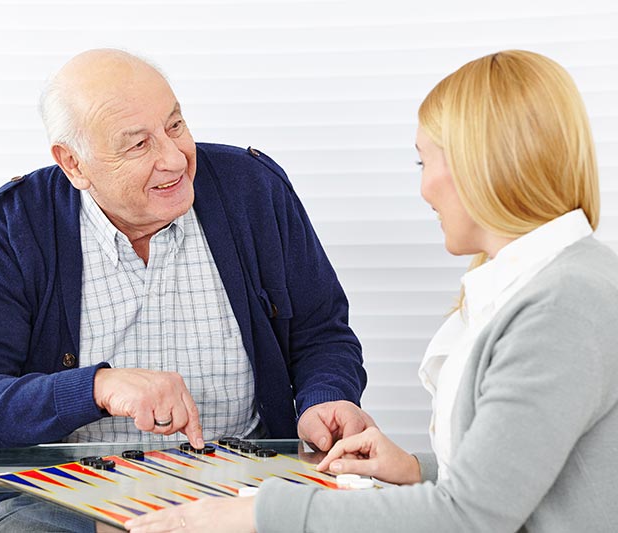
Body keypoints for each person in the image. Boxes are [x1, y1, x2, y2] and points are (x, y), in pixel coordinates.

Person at [126, 49, 618, 533]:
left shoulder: (563, 304)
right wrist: (413, 469)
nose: (423, 190)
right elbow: (512, 481)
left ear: (483, 166)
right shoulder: (559, 285)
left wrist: (257, 514)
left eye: (424, 162)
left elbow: (470, 517)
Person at [0, 50, 368, 457]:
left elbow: (322, 335)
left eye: (175, 126)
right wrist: (95, 388)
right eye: (138, 144)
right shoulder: (18, 223)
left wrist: (324, 400)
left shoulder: (252, 189)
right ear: (74, 164)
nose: (175, 160)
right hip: (64, 489)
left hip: (241, 477)